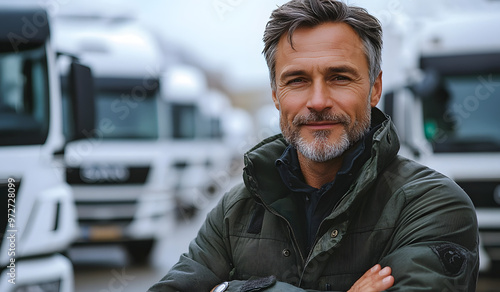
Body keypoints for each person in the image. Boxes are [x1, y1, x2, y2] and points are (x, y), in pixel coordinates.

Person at [148, 0, 479, 291]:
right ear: (276, 95)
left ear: (375, 88)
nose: (318, 101)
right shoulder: (236, 210)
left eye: (339, 77)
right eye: (297, 80)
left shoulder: (433, 205)